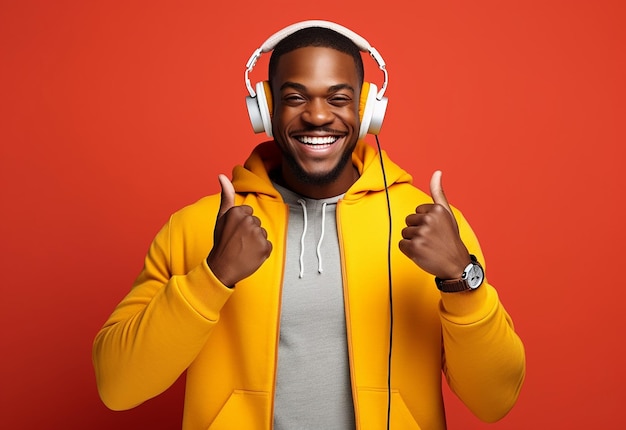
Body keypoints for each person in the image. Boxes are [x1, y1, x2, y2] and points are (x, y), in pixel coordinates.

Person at [93, 20, 525, 429]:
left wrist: (460, 279)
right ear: (266, 108)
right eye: (296, 98)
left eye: (337, 98)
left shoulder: (430, 226)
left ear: (366, 109)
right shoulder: (198, 226)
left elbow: (494, 400)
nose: (318, 116)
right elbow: (118, 386)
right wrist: (214, 276)